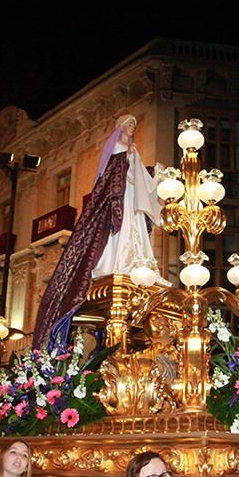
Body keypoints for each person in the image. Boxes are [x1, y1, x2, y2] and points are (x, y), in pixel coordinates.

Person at [33, 114, 165, 350]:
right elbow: (112, 175)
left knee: (134, 228)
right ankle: (115, 263)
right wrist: (127, 161)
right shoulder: (117, 147)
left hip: (131, 198)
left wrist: (153, 173)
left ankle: (136, 263)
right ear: (120, 128)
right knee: (119, 232)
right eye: (128, 124)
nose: (131, 128)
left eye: (134, 125)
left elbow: (138, 178)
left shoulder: (133, 150)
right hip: (119, 199)